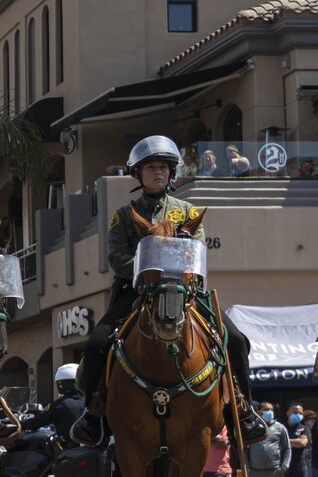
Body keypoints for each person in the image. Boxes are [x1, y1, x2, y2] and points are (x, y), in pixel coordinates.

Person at [76, 136, 255, 443]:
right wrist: (148, 270)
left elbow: (196, 253)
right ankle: (92, 413)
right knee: (95, 345)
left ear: (171, 173)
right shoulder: (123, 214)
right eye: (150, 168)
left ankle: (242, 409)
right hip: (137, 293)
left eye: (163, 167)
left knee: (236, 340)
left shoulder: (188, 212)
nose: (157, 172)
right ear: (138, 174)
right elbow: (117, 258)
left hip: (186, 293)